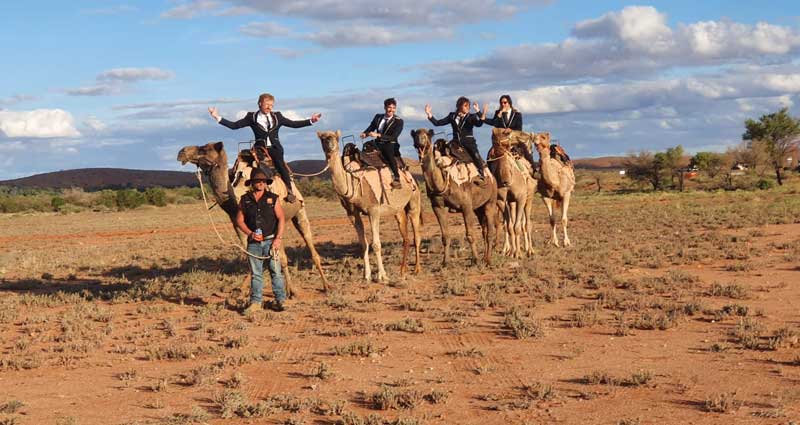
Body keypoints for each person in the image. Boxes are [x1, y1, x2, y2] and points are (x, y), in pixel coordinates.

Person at [209, 93, 322, 203]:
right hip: (259, 148)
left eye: (271, 105)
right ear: (260, 104)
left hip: (275, 148)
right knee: (242, 164)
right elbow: (234, 126)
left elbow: (293, 124)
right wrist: (216, 117)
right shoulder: (251, 117)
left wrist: (311, 121)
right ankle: (229, 190)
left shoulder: (278, 116)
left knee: (281, 166)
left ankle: (290, 191)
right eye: (267, 104)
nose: (269, 107)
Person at [235, 168, 287, 313]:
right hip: (254, 244)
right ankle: (256, 303)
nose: (261, 183)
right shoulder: (245, 200)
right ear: (252, 183)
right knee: (256, 274)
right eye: (258, 181)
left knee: (275, 271)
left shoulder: (273, 198)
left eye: (263, 181)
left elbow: (281, 218)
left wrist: (278, 239)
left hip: (271, 241)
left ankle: (280, 300)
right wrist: (250, 233)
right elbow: (239, 220)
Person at [425, 97, 487, 182]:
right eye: (465, 105)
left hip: (469, 143)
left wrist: (481, 113)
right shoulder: (452, 116)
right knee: (441, 150)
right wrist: (429, 114)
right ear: (459, 106)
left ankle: (481, 174)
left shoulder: (471, 116)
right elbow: (438, 123)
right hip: (455, 143)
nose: (468, 107)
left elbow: (479, 124)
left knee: (476, 155)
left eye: (468, 106)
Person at [481, 94, 536, 171]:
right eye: (501, 103)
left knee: (526, 151)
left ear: (509, 103)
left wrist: (511, 130)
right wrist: (484, 113)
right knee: (490, 154)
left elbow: (519, 128)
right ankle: (491, 174)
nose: (503, 104)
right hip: (502, 141)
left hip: (514, 139)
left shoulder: (517, 114)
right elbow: (493, 123)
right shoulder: (498, 113)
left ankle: (534, 170)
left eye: (505, 102)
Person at [360, 98, 404, 188]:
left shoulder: (399, 121)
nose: (391, 110)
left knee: (388, 152)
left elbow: (394, 137)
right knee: (365, 147)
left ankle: (396, 177)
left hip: (391, 143)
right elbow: (371, 127)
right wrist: (365, 133)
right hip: (378, 142)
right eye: (389, 107)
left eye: (393, 108)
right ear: (385, 107)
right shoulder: (378, 117)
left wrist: (378, 135)